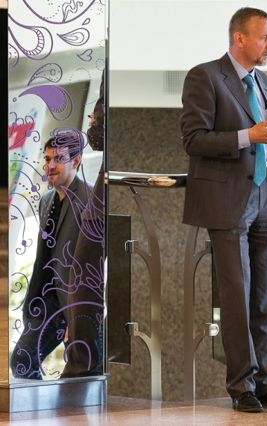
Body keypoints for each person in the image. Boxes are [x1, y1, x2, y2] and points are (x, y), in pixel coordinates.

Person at [180, 7, 267, 413]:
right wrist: (246, 136)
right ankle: (242, 385)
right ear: (239, 38)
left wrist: (264, 137)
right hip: (228, 199)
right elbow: (194, 139)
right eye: (264, 37)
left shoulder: (264, 81)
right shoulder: (205, 77)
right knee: (237, 296)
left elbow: (262, 136)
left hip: (266, 194)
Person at [11, 129, 91, 379]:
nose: (50, 166)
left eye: (58, 159)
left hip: (73, 302)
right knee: (22, 362)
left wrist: (75, 316)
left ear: (76, 161)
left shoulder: (90, 198)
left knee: (82, 375)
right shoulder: (46, 200)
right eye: (47, 159)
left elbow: (93, 264)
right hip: (45, 300)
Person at [60, 72, 105, 378]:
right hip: (118, 186)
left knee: (84, 274)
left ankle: (83, 364)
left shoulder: (113, 68)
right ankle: (88, 362)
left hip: (110, 191)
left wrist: (95, 123)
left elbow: (99, 138)